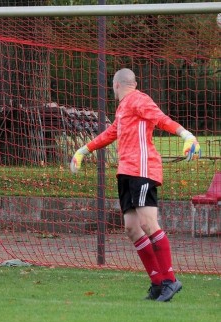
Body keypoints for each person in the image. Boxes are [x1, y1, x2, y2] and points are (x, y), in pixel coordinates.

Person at [70, 68, 201, 302]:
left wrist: (186, 135)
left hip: (142, 170)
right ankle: (158, 283)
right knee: (132, 228)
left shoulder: (139, 99)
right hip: (127, 173)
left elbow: (161, 118)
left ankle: (170, 280)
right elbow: (112, 133)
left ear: (116, 85)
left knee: (148, 224)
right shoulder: (123, 107)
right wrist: (84, 150)